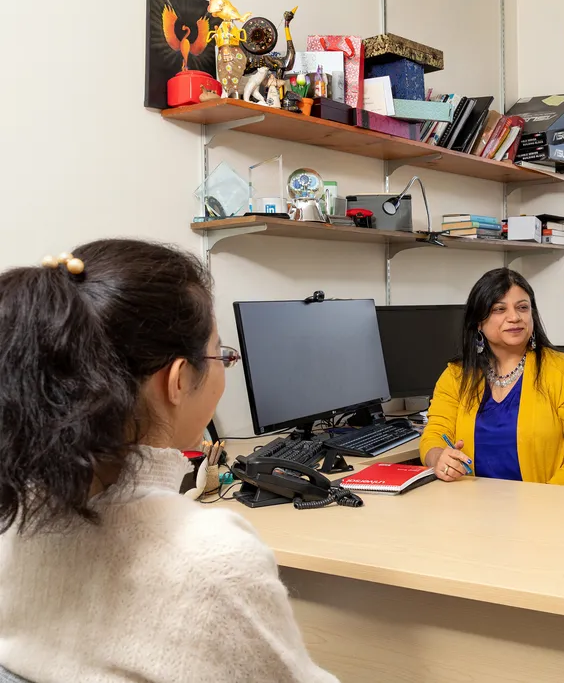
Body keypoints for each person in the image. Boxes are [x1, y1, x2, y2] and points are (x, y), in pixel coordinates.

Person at [0, 241, 337, 683]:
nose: (223, 371)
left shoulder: (15, 514)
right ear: (178, 380)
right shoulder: (212, 557)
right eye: (221, 356)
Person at [419, 268, 564, 487]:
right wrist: (437, 457)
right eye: (499, 309)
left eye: (522, 307)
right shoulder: (457, 375)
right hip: (474, 507)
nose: (514, 317)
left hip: (554, 506)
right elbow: (435, 433)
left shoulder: (562, 371)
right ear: (478, 322)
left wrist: (546, 499)